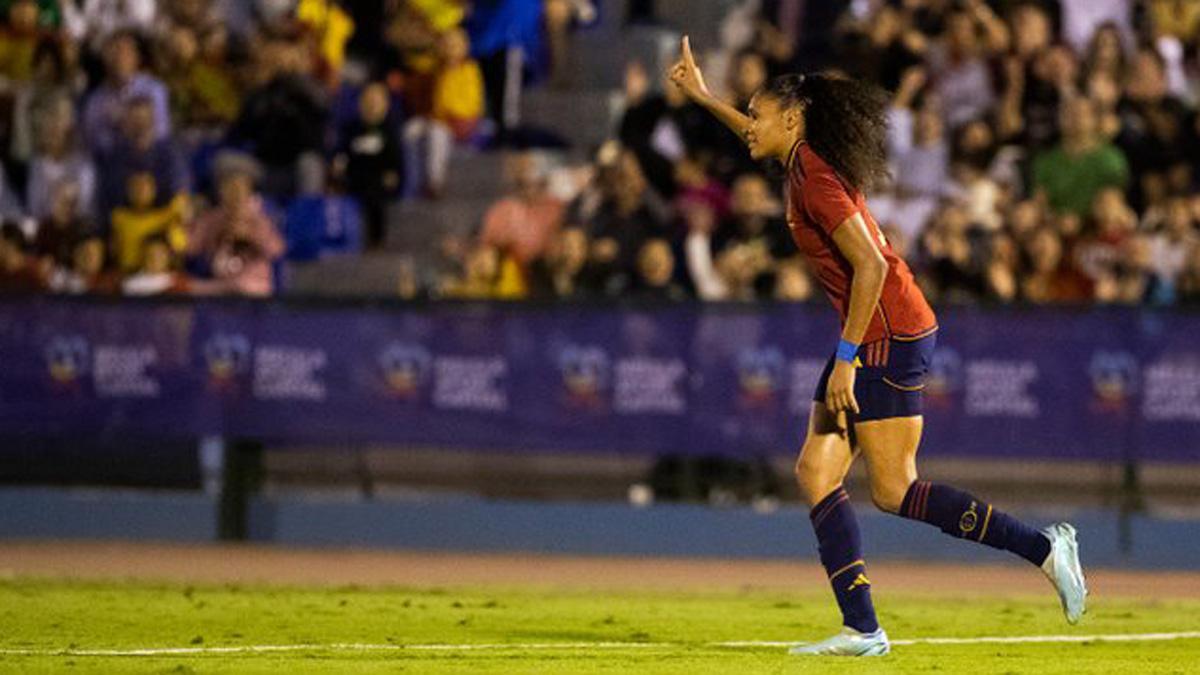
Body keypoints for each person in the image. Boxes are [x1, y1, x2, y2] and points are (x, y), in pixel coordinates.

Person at [669, 36, 1086, 656]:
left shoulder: (812, 176)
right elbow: (758, 140)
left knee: (895, 489)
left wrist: (846, 357)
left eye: (758, 114)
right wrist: (703, 97)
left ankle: (1045, 549)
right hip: (881, 329)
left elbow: (872, 268)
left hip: (886, 332)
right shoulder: (803, 160)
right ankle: (862, 627)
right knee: (815, 471)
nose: (749, 126)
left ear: (792, 117)